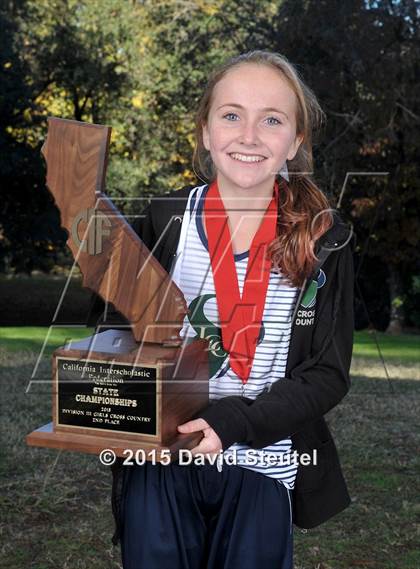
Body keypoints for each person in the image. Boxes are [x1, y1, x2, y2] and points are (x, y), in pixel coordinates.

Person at [87, 49, 354, 569]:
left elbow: (326, 374)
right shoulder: (162, 221)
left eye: (271, 120)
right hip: (162, 456)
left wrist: (233, 422)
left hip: (264, 462)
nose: (248, 136)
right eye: (231, 115)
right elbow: (115, 335)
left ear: (295, 141)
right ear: (206, 132)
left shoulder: (325, 239)